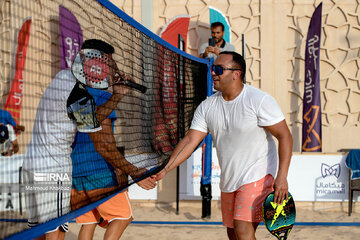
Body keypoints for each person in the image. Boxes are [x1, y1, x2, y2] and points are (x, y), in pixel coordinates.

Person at [22, 39, 155, 240]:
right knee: (55, 232)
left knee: (39, 230)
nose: (112, 68)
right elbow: (100, 140)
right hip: (53, 168)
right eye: (109, 63)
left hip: (32, 165)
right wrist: (134, 171)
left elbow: (92, 119)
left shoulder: (63, 78)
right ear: (95, 63)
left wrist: (116, 92)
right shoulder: (79, 93)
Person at [153, 51, 293, 240]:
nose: (213, 73)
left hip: (258, 175)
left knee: (242, 229)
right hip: (229, 180)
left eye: (218, 69)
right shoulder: (207, 106)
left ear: (237, 73)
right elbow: (189, 141)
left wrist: (282, 178)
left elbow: (285, 136)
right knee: (232, 233)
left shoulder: (258, 100)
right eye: (212, 68)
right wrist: (165, 169)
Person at [70, 87, 135, 240]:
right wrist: (120, 169)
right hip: (98, 167)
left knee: (89, 221)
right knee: (123, 216)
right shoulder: (104, 97)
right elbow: (105, 140)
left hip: (75, 169)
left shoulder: (75, 96)